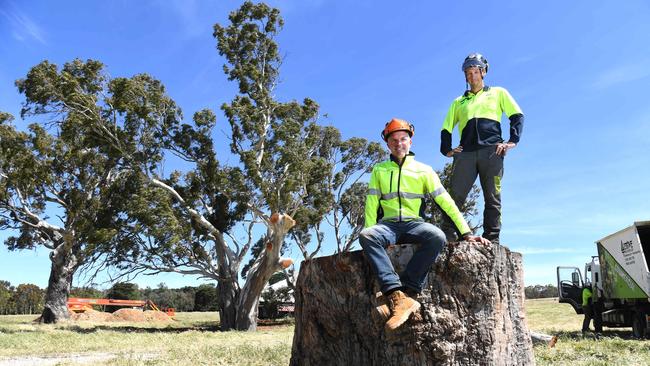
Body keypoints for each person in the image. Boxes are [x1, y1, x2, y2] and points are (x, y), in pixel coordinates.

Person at [359, 118, 490, 332]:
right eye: (393, 140)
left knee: (436, 236)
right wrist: (369, 231)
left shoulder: (424, 170)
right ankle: (395, 294)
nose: (398, 143)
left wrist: (466, 232)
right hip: (388, 227)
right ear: (387, 144)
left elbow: (446, 202)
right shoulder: (379, 170)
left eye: (403, 139)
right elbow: (371, 204)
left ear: (410, 142)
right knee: (367, 235)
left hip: (414, 225)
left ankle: (408, 292)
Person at [440, 53, 524, 244]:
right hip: (466, 154)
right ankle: (448, 236)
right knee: (454, 197)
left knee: (492, 197)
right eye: (468, 73)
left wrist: (512, 141)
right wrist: (447, 150)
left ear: (483, 71)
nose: (471, 76)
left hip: (492, 152)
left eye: (475, 72)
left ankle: (492, 239)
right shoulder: (458, 101)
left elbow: (517, 115)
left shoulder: (498, 92)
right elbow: (446, 127)